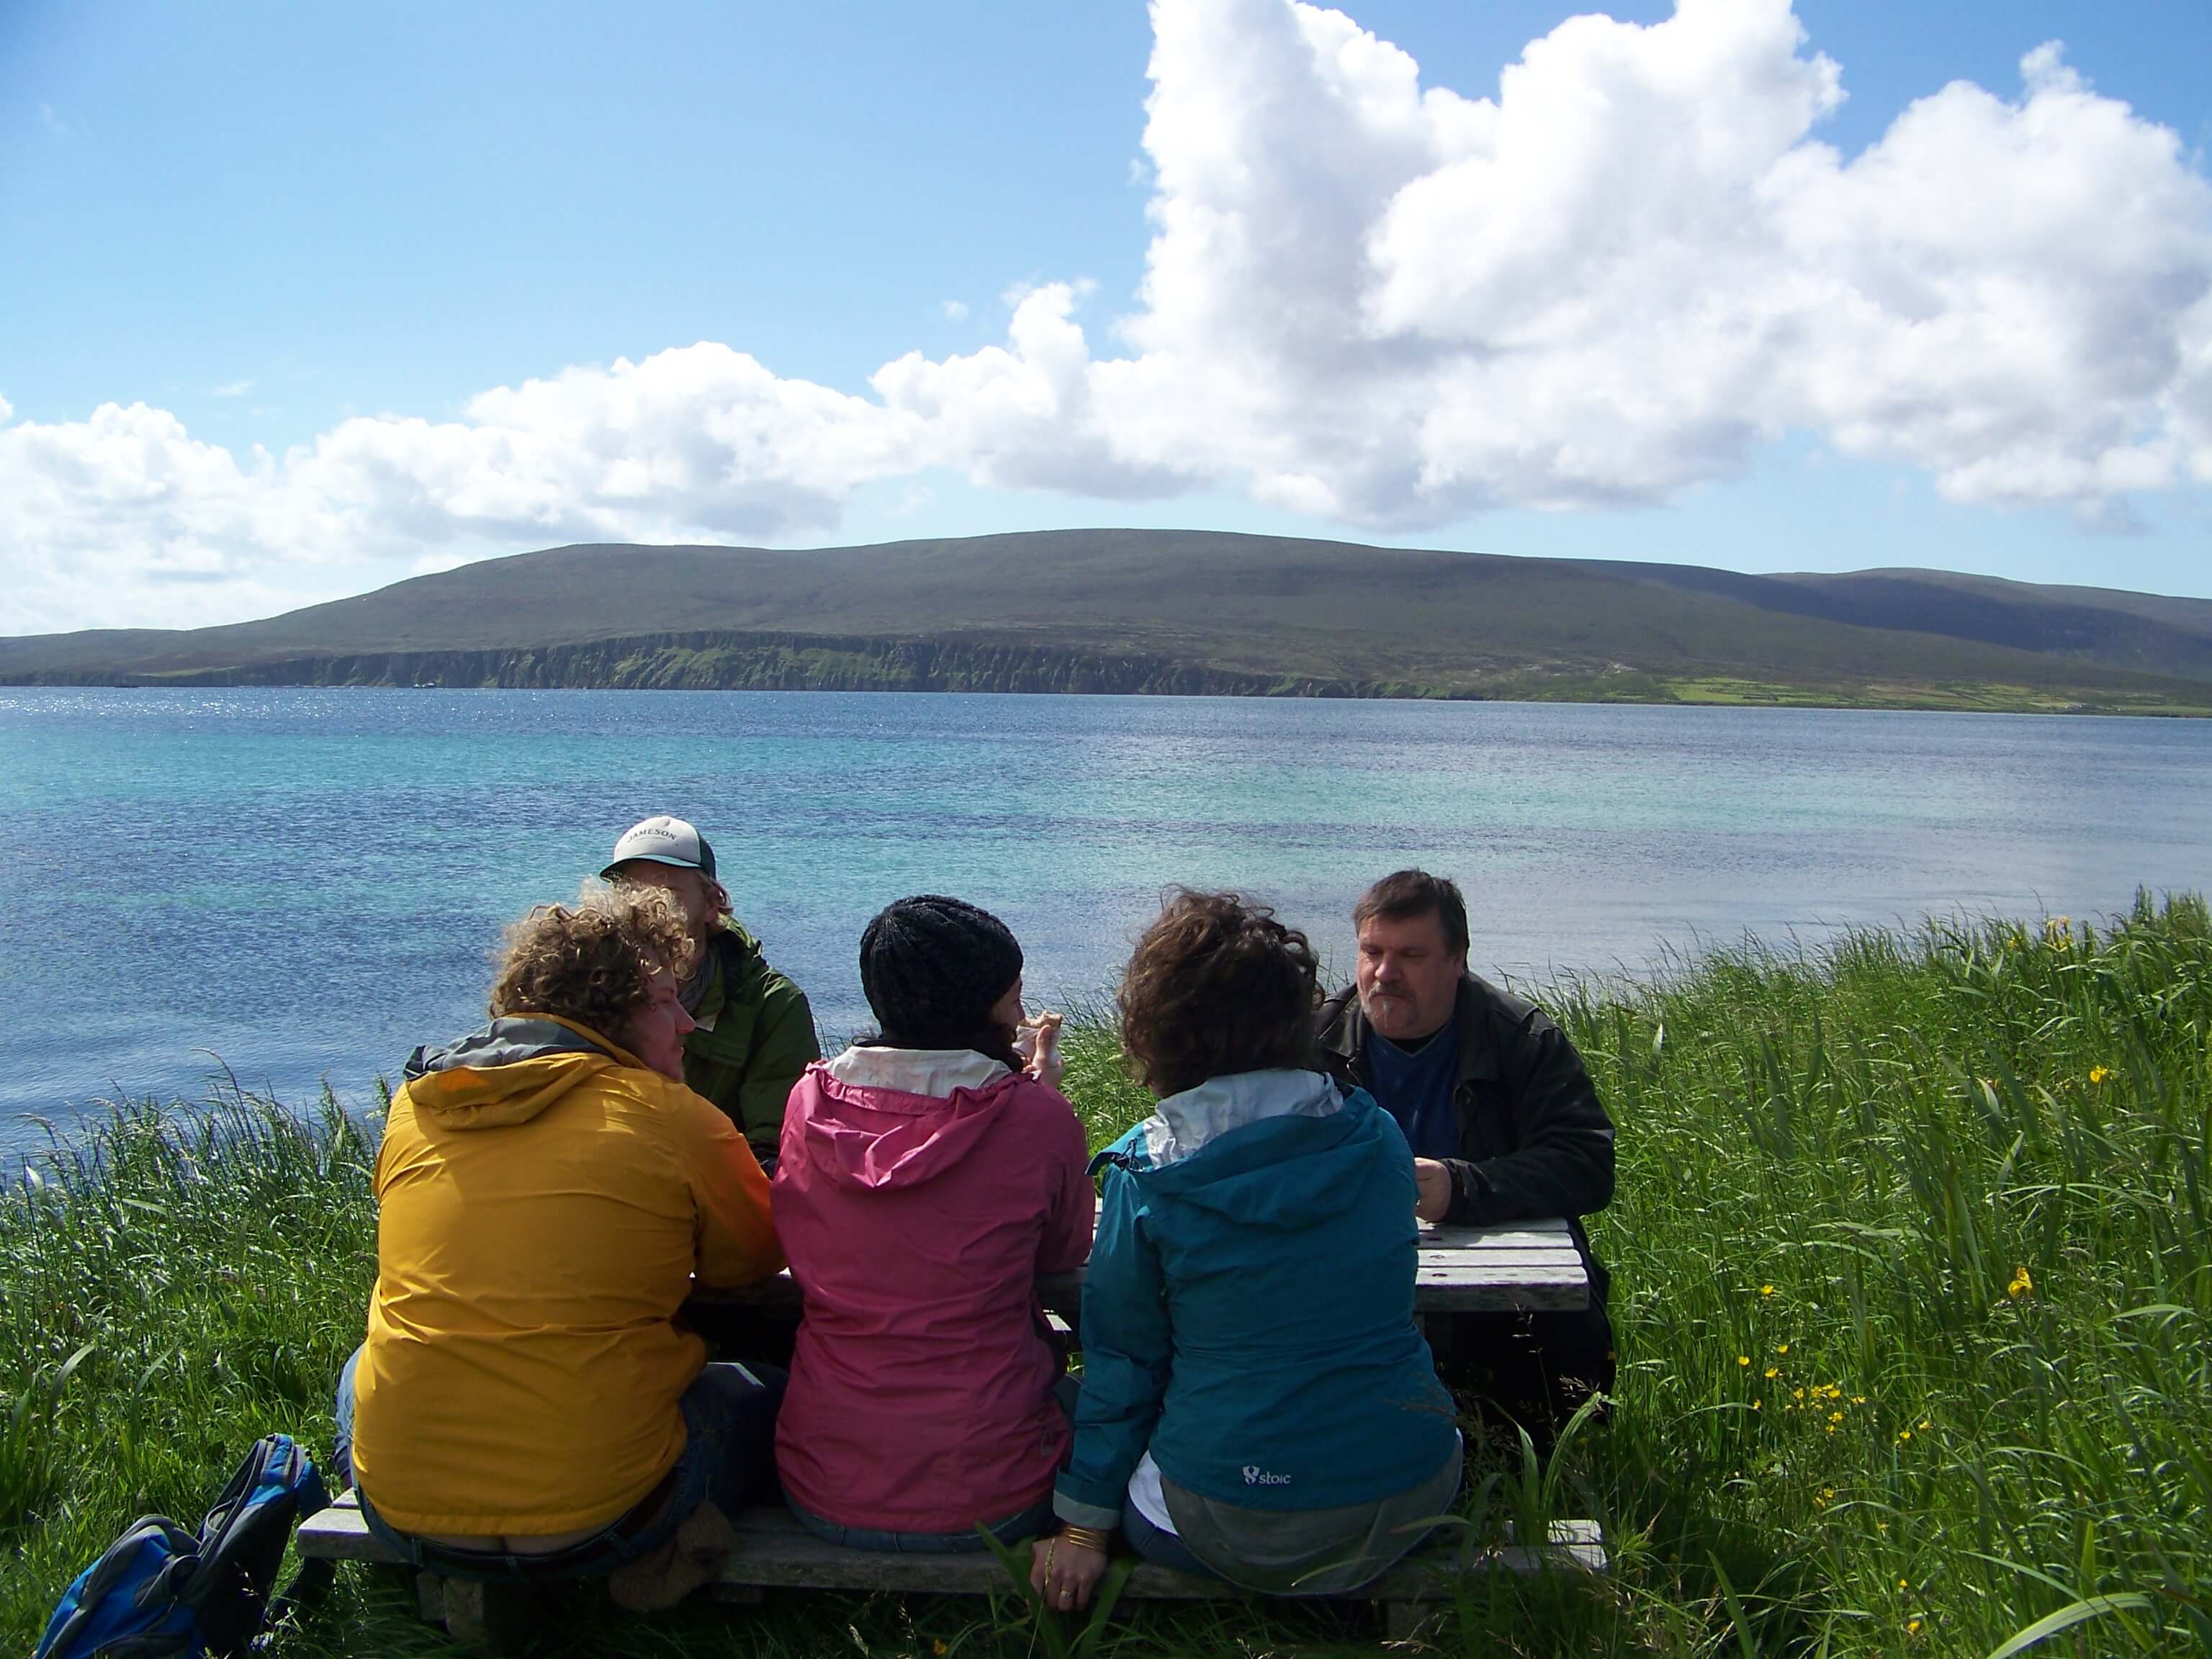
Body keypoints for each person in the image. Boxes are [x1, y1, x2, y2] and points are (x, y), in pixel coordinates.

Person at [334, 886, 785, 1607]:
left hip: (406, 1516)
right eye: (664, 1000)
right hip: (604, 1518)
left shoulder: (415, 1107)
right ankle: (654, 1561)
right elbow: (751, 1263)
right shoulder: (675, 1118)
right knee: (766, 1392)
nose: (686, 1025)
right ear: (607, 1012)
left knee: (363, 1366)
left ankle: (470, 1581)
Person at [1035, 891, 1460, 1609]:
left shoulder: (1151, 1171)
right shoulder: (1376, 1135)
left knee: (1088, 1402)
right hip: (1405, 1495)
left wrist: (1082, 1528)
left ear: (1157, 1030)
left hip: (1226, 1516)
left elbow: (1125, 1361)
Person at [773, 894, 1094, 1551]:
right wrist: (1041, 1101)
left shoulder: (808, 1104)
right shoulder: (1036, 1118)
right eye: (1013, 995)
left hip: (823, 1485)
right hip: (995, 1495)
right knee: (1100, 1405)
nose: (1018, 1014)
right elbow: (1063, 1256)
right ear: (981, 1007)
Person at [1316, 868, 1617, 1437]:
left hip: (1501, 1307)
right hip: (1347, 1288)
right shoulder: (1315, 1041)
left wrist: (1462, 1187)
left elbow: (1588, 1163)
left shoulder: (1521, 1039)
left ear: (1458, 960)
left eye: (1411, 955)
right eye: (1371, 952)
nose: (1384, 973)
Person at [601, 814, 819, 1172]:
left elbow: (776, 1152)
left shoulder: (773, 1006)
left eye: (667, 894)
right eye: (631, 892)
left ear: (711, 903)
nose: (647, 908)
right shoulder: (588, 994)